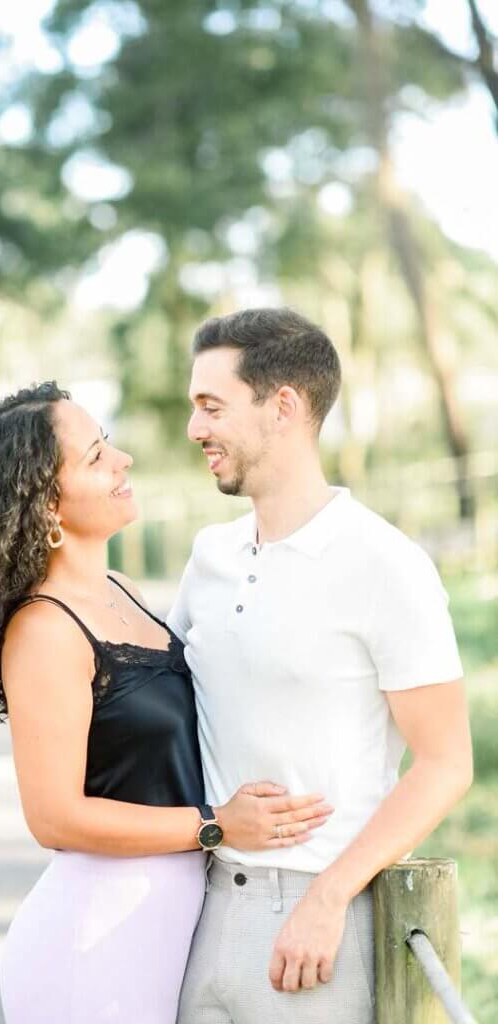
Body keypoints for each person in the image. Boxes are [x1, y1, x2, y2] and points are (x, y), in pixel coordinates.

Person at [0, 381, 334, 1024]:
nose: (123, 463)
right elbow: (54, 817)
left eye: (109, 444)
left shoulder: (118, 588)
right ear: (44, 505)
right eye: (95, 457)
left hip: (162, 931)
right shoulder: (45, 629)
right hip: (94, 944)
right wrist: (216, 823)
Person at [169, 307, 473, 1024]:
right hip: (196, 903)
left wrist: (329, 896)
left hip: (312, 930)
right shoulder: (208, 557)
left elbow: (444, 763)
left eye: (211, 407)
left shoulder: (385, 564)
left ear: (283, 407)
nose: (195, 430)